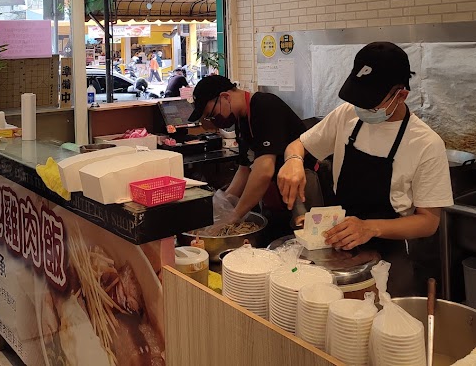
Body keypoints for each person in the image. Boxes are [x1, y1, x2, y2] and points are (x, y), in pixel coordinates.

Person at [277, 41, 453, 296]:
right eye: (358, 100)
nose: (360, 110)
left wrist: (369, 227)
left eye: (370, 104)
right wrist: (293, 161)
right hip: (337, 245)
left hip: (388, 258)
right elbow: (298, 145)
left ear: (401, 95)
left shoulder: (425, 143)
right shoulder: (346, 115)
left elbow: (428, 222)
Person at [189, 75, 306, 239]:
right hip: (278, 197)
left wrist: (234, 216)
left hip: (304, 194)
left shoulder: (265, 106)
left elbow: (264, 170)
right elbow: (245, 169)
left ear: (225, 97)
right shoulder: (242, 119)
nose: (214, 121)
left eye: (211, 114)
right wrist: (224, 202)